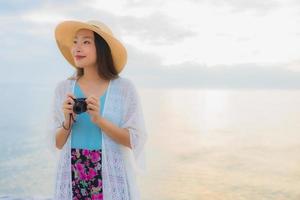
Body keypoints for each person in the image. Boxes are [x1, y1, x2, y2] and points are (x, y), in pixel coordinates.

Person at [49, 20, 148, 200]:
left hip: (109, 171)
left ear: (102, 48)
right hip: (72, 170)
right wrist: (67, 122)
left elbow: (135, 140)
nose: (77, 48)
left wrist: (99, 120)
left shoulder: (124, 88)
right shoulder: (63, 88)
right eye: (75, 42)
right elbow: (57, 143)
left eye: (86, 42)